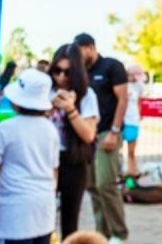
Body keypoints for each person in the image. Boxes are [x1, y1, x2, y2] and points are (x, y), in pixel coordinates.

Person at [0, 69, 59, 244]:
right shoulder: (50, 129)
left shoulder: (5, 129)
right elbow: (53, 171)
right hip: (44, 211)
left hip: (15, 215)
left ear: (16, 101)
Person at [74, 33, 128, 244]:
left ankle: (119, 234)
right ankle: (101, 233)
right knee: (92, 186)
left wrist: (114, 132)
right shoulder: (82, 72)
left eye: (79, 52)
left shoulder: (111, 66)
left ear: (89, 47)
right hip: (88, 135)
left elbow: (122, 99)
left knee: (106, 184)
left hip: (108, 133)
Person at [49, 44, 99, 239]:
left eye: (67, 72)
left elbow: (88, 135)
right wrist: (48, 109)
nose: (61, 77)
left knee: (70, 221)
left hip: (73, 160)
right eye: (57, 70)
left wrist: (71, 110)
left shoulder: (87, 96)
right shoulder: (44, 91)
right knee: (43, 219)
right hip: (45, 160)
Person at [123, 64, 145, 176]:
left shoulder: (138, 86)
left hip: (132, 121)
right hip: (122, 120)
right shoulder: (122, 85)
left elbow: (139, 102)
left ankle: (131, 175)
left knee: (131, 152)